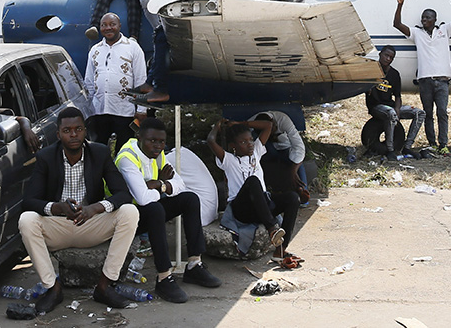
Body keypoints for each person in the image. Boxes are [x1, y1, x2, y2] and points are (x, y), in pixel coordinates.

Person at [18, 107, 139, 314]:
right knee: (27, 220)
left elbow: (123, 194)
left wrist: (95, 208)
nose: (73, 135)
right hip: (57, 227)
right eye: (67, 131)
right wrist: (57, 208)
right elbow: (29, 201)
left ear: (85, 131)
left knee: (129, 212)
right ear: (58, 134)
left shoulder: (99, 153)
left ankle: (104, 286)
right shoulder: (46, 157)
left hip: (91, 224)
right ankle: (53, 289)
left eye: (78, 129)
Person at [115, 118, 221, 303]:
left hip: (146, 209)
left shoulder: (158, 154)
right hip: (124, 216)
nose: (157, 146)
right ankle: (164, 277)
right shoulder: (127, 158)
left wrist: (159, 185)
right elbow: (142, 198)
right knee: (155, 209)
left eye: (161, 142)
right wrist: (164, 187)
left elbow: (180, 184)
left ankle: (194, 265)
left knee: (190, 199)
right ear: (139, 137)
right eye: (152, 141)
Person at [207, 118, 301, 268]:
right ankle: (272, 229)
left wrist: (240, 123)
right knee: (252, 181)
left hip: (262, 204)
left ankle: (281, 249)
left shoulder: (256, 152)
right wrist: (217, 126)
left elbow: (268, 125)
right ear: (233, 146)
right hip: (242, 210)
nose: (250, 144)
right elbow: (211, 141)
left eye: (250, 140)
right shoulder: (229, 160)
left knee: (292, 198)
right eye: (243, 142)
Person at [393, 0, 451, 155]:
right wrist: (400, 5)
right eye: (423, 18)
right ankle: (432, 143)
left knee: (442, 113)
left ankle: (443, 144)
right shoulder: (417, 33)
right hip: (425, 81)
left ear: (435, 20)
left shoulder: (444, 31)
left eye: (427, 18)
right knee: (428, 114)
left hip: (442, 81)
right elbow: (397, 24)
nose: (424, 20)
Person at [84, 13, 147, 149]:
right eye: (104, 25)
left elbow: (141, 79)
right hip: (100, 110)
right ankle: (101, 171)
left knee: (124, 150)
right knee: (98, 150)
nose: (108, 28)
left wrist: (141, 109)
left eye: (112, 24)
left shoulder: (132, 48)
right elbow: (89, 80)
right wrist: (90, 106)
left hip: (124, 111)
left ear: (119, 26)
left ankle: (121, 171)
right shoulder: (95, 50)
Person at [366, 45, 426, 160]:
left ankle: (407, 147)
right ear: (380, 55)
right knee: (391, 113)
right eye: (386, 55)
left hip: (391, 106)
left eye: (391, 57)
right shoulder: (371, 70)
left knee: (420, 113)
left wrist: (398, 110)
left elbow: (397, 96)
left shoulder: (394, 74)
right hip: (377, 107)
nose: (388, 59)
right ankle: (390, 150)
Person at [247, 110, 310, 201]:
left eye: (272, 130)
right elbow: (241, 130)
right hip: (269, 150)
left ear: (274, 123)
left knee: (296, 162)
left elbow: (299, 147)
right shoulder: (253, 122)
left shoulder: (283, 120)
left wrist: (293, 171)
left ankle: (302, 192)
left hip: (286, 149)